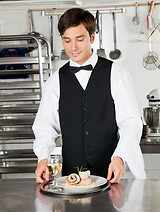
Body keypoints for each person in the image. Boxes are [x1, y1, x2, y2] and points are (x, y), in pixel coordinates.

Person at [32, 7, 146, 185]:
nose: (73, 47)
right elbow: (45, 128)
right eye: (67, 40)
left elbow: (130, 122)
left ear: (92, 37)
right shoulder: (55, 81)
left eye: (79, 39)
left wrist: (119, 157)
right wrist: (42, 158)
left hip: (112, 175)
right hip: (72, 181)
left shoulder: (117, 74)